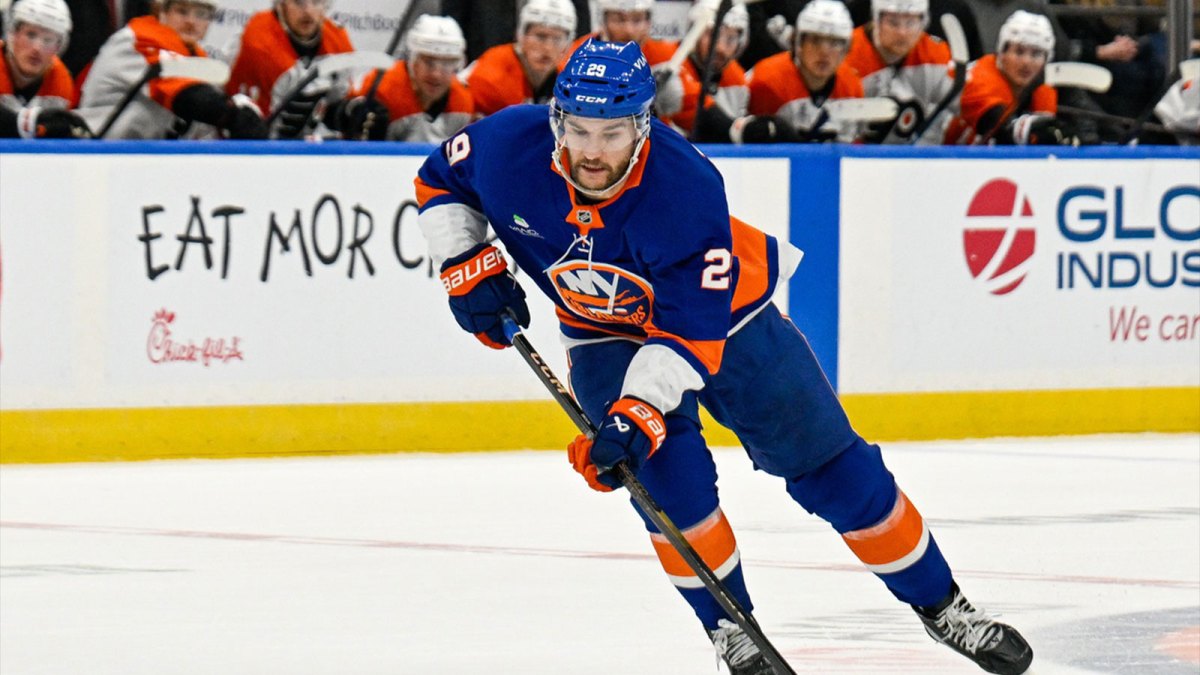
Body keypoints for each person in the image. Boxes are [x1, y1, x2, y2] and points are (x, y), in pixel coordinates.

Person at [414, 38, 1034, 675]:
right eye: (577, 129)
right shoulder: (508, 145)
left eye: (611, 133)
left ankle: (945, 608)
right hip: (601, 331)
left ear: (643, 126)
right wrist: (464, 261)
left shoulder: (684, 187)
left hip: (727, 321)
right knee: (667, 487)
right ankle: (730, 629)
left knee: (837, 472)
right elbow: (440, 178)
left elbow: (689, 333)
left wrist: (637, 412)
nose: (591, 152)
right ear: (556, 121)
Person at [76, 0, 266, 139]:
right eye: (182, 11)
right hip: (97, 156)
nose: (191, 21)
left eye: (201, 14)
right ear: (162, 12)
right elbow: (190, 97)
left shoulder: (197, 57)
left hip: (142, 161)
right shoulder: (137, 38)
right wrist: (232, 114)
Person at [328, 14, 473, 142]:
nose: (436, 74)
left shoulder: (463, 102)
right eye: (429, 62)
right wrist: (354, 116)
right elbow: (340, 124)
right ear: (412, 61)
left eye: (447, 64)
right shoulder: (383, 89)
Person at [225, 0, 353, 139]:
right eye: (299, 2)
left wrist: (350, 109)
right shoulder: (255, 40)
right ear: (281, 4)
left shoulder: (337, 40)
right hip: (254, 147)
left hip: (304, 147)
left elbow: (332, 104)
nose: (308, 11)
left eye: (316, 2)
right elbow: (227, 96)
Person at [943, 9, 1072, 145]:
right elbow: (1002, 130)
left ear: (1046, 61)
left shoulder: (1041, 88)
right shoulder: (979, 79)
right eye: (1019, 51)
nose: (1026, 62)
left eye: (1036, 54)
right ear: (1002, 52)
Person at [745, 0, 865, 143]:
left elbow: (852, 150)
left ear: (846, 49)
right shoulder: (767, 81)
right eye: (815, 40)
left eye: (835, 43)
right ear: (798, 42)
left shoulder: (851, 85)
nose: (824, 52)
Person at [844, 0, 955, 144]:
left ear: (924, 22)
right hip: (852, 158)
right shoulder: (845, 55)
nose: (902, 33)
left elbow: (964, 105)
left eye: (910, 23)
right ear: (876, 19)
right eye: (893, 23)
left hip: (911, 160)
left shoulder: (936, 55)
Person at [564, 0, 683, 117]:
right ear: (603, 20)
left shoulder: (664, 55)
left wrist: (680, 102)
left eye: (637, 20)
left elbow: (693, 118)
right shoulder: (578, 55)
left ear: (648, 21)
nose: (628, 30)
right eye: (619, 20)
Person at [459, 0, 576, 117]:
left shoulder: (570, 79)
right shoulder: (492, 79)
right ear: (521, 35)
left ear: (568, 43)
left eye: (557, 39)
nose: (548, 48)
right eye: (540, 36)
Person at [0, 0, 89, 138]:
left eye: (48, 40)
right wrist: (29, 122)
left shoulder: (61, 82)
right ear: (12, 34)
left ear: (59, 47)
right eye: (30, 35)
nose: (37, 48)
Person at [666, 0, 752, 142]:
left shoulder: (737, 79)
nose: (720, 48)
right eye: (712, 35)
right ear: (694, 31)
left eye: (730, 39)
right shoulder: (670, 65)